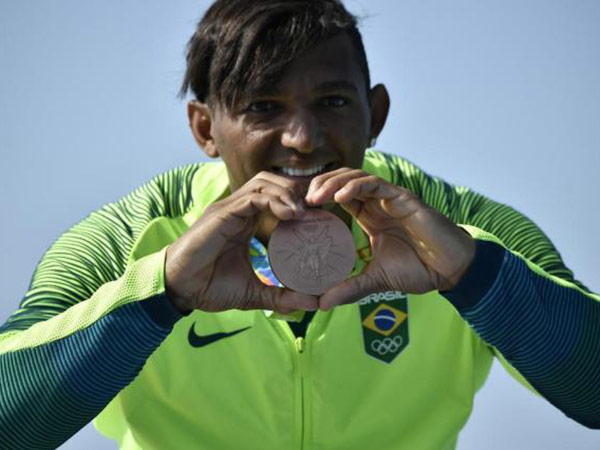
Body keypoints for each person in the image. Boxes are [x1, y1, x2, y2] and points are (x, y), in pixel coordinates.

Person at [1, 0, 599, 448]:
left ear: (376, 113)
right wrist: (163, 295)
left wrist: (475, 280)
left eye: (333, 102)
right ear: (205, 128)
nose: (303, 138)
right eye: (263, 107)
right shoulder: (127, 238)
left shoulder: (460, 227)